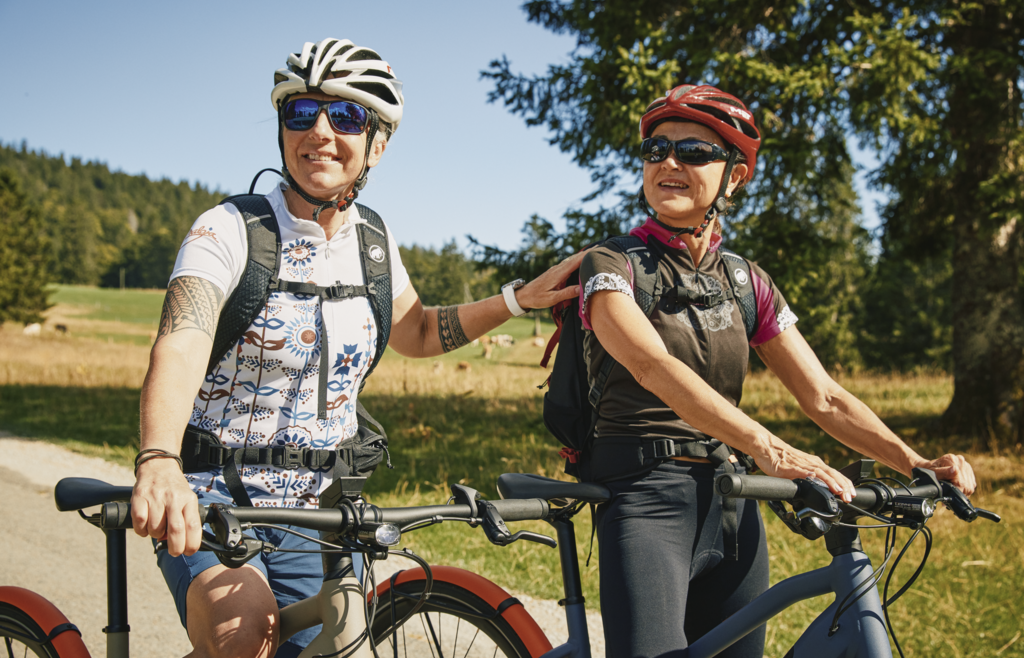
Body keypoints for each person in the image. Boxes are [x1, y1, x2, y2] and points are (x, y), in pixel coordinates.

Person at [129, 38, 582, 658]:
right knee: (246, 634)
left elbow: (418, 329)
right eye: (301, 113)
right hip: (215, 493)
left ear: (377, 142)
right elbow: (180, 341)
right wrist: (158, 460)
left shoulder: (373, 240)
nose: (319, 131)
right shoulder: (229, 229)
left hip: (324, 506)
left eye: (344, 116)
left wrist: (514, 302)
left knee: (339, 643)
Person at [578, 83, 977, 658]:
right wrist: (773, 447)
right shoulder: (611, 266)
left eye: (693, 152)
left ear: (733, 177)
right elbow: (650, 365)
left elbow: (824, 398)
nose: (668, 162)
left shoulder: (746, 281)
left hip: (735, 500)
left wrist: (915, 464)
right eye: (655, 149)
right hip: (645, 499)